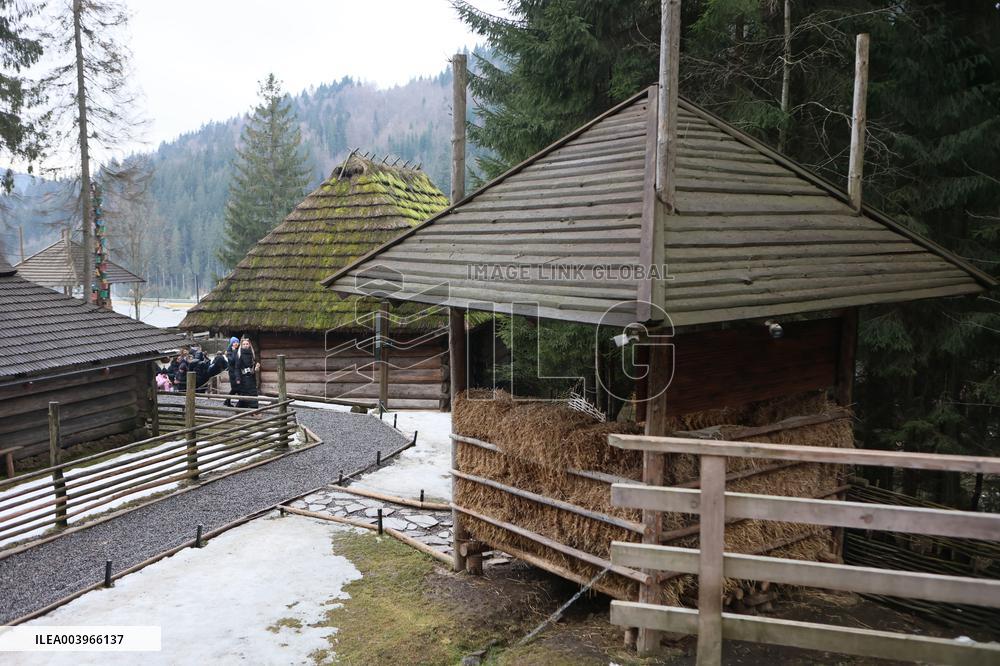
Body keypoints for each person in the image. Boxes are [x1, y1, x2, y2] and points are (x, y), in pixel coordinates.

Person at [234, 337, 260, 408]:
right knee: (250, 393)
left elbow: (255, 364)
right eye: (244, 344)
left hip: (251, 377)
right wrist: (238, 378)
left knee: (250, 393)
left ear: (249, 345)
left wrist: (256, 367)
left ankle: (240, 408)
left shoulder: (252, 354)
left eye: (247, 344)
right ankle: (254, 410)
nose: (245, 345)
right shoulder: (239, 354)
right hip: (243, 378)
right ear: (241, 345)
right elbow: (237, 368)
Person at [223, 336, 240, 406]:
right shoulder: (229, 352)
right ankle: (239, 402)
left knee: (235, 389)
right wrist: (234, 351)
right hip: (233, 373)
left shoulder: (238, 350)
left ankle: (227, 401)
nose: (236, 343)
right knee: (235, 388)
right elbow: (232, 361)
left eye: (237, 342)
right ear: (231, 343)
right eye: (234, 342)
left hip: (237, 372)